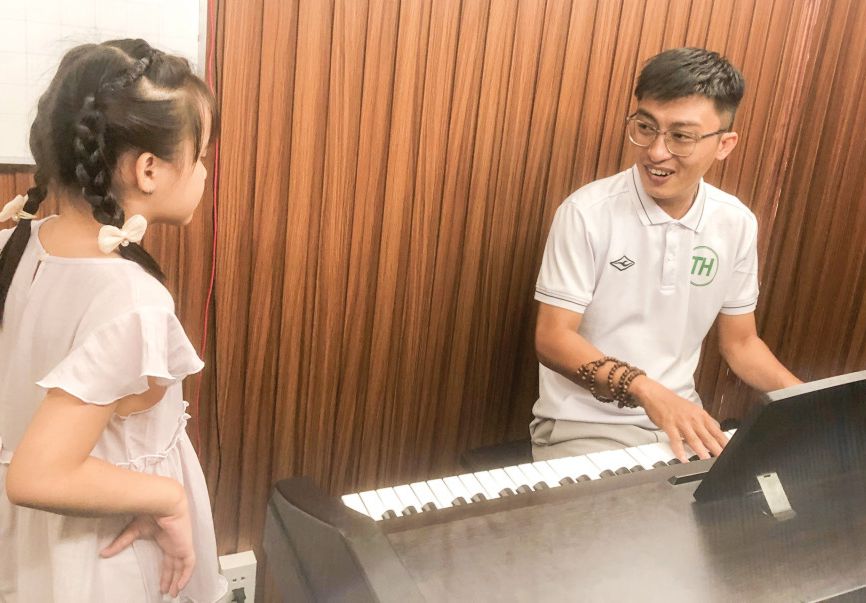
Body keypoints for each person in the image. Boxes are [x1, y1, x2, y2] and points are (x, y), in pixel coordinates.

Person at [0, 39, 227, 602]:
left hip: (27, 546)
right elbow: (39, 475)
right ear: (149, 169)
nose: (203, 173)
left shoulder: (13, 244)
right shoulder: (130, 300)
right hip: (102, 553)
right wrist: (169, 499)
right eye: (200, 156)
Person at [531, 47, 801, 464]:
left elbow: (742, 343)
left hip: (682, 426)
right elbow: (552, 339)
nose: (656, 152)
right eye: (646, 127)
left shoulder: (735, 222)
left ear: (724, 144)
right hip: (583, 426)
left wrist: (808, 403)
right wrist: (647, 391)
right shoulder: (587, 212)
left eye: (681, 136)